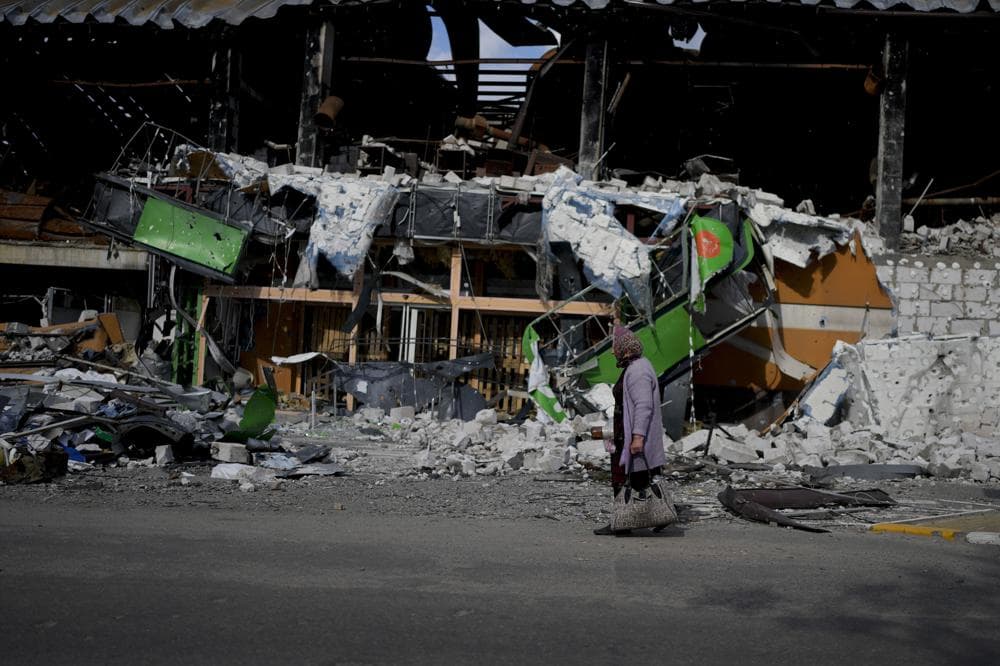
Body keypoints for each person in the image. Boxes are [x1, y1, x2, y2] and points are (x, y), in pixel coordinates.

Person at [594, 325, 666, 536]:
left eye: (614, 347)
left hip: (631, 435)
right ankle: (645, 517)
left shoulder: (638, 371)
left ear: (625, 349)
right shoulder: (636, 367)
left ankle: (624, 521)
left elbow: (643, 406)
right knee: (638, 479)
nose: (612, 351)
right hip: (623, 432)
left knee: (626, 479)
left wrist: (637, 437)